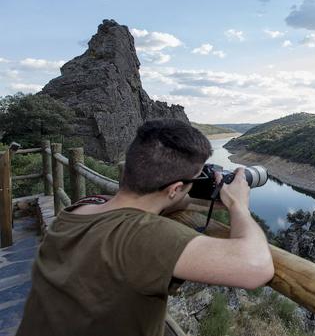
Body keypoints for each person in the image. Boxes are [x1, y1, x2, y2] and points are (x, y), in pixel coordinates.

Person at [17, 119, 274, 336]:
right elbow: (256, 267)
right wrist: (237, 203)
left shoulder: (80, 210)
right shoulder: (144, 237)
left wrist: (202, 194)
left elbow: (156, 203)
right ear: (174, 188)